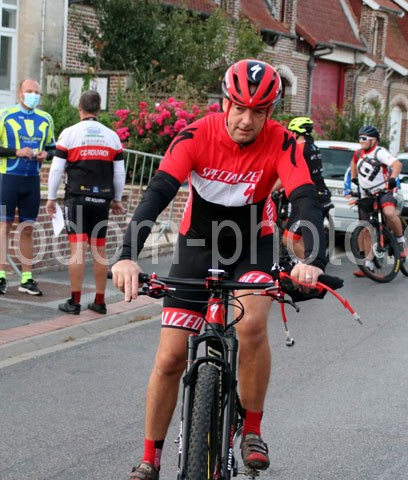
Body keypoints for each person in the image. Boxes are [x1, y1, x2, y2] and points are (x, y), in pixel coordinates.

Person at [111, 59, 327, 480]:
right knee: (170, 357)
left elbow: (305, 199)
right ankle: (150, 459)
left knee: (250, 326)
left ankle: (252, 429)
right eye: (239, 108)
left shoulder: (284, 143)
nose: (247, 120)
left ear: (270, 112)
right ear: (225, 102)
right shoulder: (195, 135)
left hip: (254, 244)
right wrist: (126, 254)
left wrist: (313, 261)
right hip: (197, 244)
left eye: (258, 112)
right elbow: (158, 193)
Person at [45, 90, 126, 315]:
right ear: (99, 109)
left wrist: (51, 197)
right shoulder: (112, 137)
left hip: (77, 198)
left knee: (77, 249)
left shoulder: (69, 133)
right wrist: (117, 199)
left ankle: (75, 301)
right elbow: (119, 172)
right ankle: (100, 301)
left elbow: (56, 169)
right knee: (99, 249)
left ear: (79, 108)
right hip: (102, 199)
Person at [0, 79, 56, 296]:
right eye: (29, 91)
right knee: (4, 226)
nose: (33, 95)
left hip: (32, 180)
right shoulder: (5, 115)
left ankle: (26, 278)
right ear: (20, 93)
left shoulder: (46, 119)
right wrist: (16, 152)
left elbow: (53, 149)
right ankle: (0, 277)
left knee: (27, 228)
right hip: (9, 178)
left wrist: (47, 154)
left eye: (37, 92)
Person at [348, 125, 407, 277]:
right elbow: (353, 164)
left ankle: (400, 240)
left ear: (373, 140)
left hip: (383, 192)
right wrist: (354, 178)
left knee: (389, 213)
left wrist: (393, 179)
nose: (361, 141)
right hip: (366, 195)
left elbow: (397, 164)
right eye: (359, 138)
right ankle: (368, 264)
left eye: (364, 138)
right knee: (365, 229)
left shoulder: (379, 152)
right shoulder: (358, 153)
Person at [275, 116, 332, 260]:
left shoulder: (299, 148)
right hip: (322, 195)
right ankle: (303, 264)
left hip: (309, 199)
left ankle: (310, 269)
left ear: (295, 133)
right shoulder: (313, 147)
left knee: (288, 239)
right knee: (300, 239)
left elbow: (287, 173)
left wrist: (270, 190)